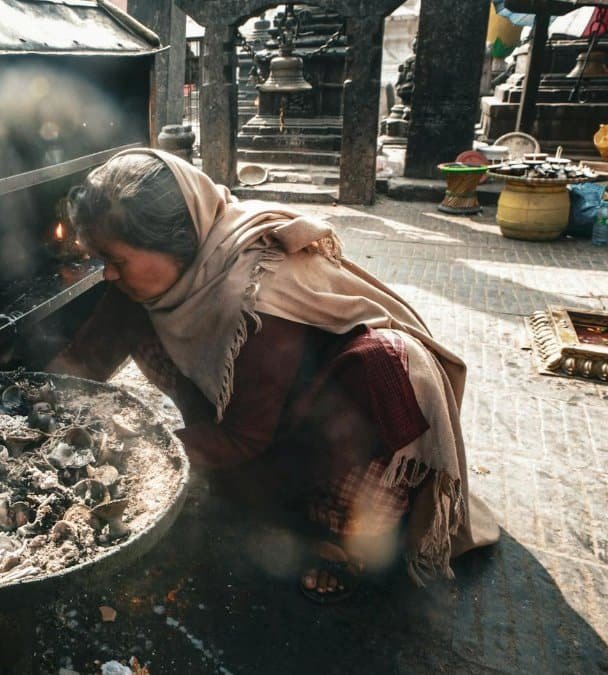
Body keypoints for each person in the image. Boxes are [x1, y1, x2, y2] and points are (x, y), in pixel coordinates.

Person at [48, 148, 499, 602]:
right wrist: (39, 403)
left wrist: (131, 452)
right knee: (138, 316)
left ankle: (340, 542)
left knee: (377, 393)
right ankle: (263, 491)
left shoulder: (253, 295)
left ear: (172, 242)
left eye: (116, 259)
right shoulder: (169, 271)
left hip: (348, 416)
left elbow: (245, 438)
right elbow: (87, 358)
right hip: (266, 404)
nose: (106, 272)